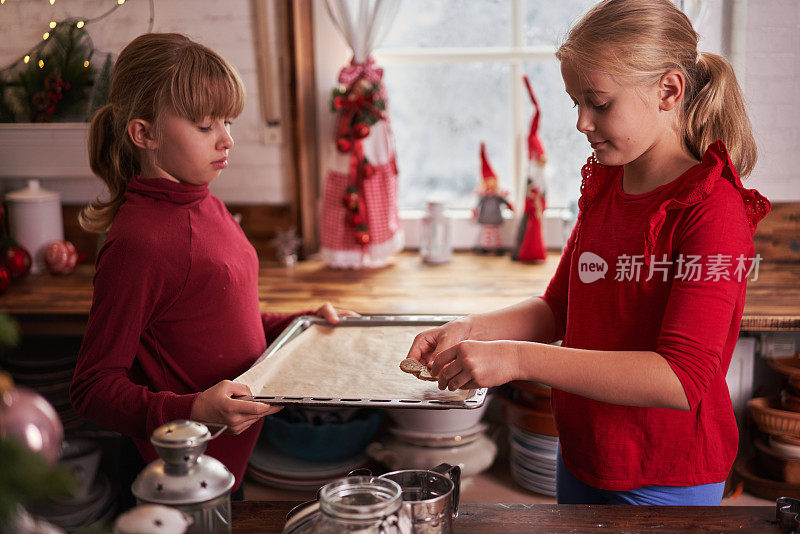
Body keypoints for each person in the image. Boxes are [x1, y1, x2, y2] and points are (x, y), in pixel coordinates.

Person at [406, 0, 770, 506]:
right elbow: (557, 309)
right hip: (583, 453)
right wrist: (472, 329)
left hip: (665, 475)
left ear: (669, 90)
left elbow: (680, 379)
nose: (581, 122)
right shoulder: (606, 184)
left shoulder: (712, 210)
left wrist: (515, 359)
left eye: (599, 103)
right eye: (575, 101)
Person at [69, 33, 355, 504]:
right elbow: (92, 388)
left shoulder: (205, 202)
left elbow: (219, 319)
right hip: (172, 475)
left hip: (221, 464)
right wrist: (194, 408)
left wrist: (299, 323)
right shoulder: (138, 242)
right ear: (145, 134)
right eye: (205, 126)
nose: (227, 139)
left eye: (227, 120)